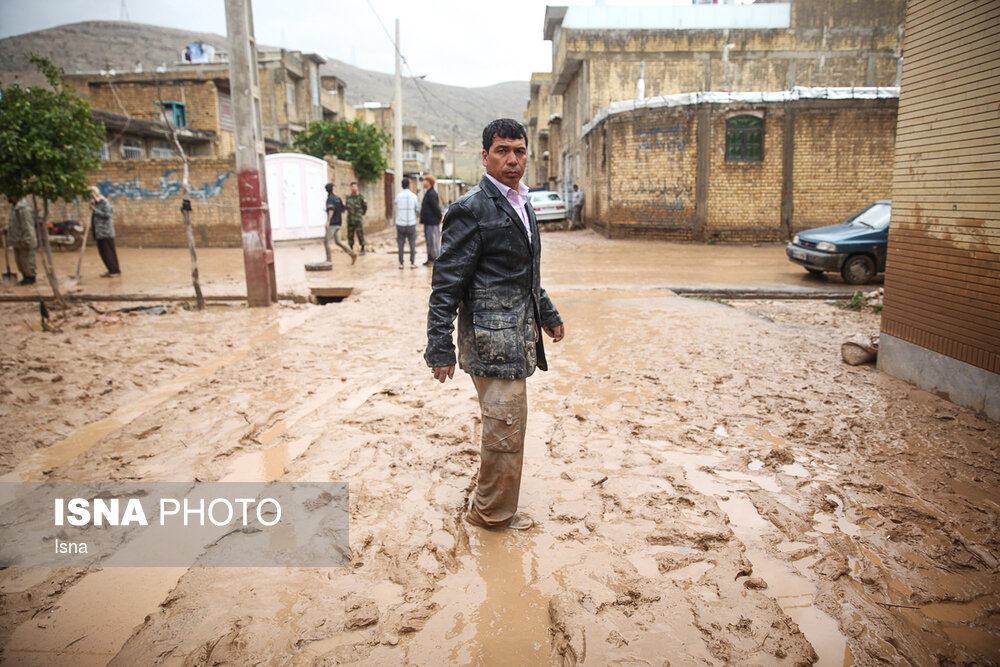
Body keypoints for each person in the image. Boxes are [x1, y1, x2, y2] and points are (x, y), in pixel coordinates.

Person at [425, 118, 565, 531]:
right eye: (502, 151)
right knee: (506, 429)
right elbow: (446, 284)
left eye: (519, 151)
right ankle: (489, 519)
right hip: (491, 342)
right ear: (484, 156)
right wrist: (439, 347)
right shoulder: (470, 209)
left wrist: (549, 315)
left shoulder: (522, 203)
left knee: (505, 426)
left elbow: (524, 275)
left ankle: (488, 505)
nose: (512, 159)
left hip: (517, 336)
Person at [5, 195, 37, 285]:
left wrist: (27, 240)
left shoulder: (24, 209)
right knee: (20, 261)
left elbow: (27, 225)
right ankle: (25, 277)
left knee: (27, 261)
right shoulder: (15, 208)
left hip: (25, 240)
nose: (8, 198)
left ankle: (30, 278)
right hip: (18, 240)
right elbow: (15, 224)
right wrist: (6, 229)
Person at [88, 186, 120, 277]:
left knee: (109, 252)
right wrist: (92, 207)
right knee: (103, 253)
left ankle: (115, 271)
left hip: (106, 232)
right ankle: (110, 270)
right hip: (99, 233)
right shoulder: (95, 203)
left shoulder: (104, 202)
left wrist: (95, 210)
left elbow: (107, 215)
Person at [324, 183, 356, 264]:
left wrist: (328, 221)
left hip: (333, 224)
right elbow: (343, 210)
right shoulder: (338, 198)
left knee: (326, 241)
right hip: (339, 223)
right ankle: (352, 254)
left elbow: (331, 210)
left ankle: (328, 260)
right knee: (338, 242)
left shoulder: (330, 199)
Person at [395, 177, 419, 269]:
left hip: (400, 223)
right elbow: (417, 208)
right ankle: (412, 263)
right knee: (412, 243)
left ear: (401, 186)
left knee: (400, 244)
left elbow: (396, 205)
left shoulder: (398, 196)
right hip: (411, 223)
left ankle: (401, 264)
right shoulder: (414, 196)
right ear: (409, 185)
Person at [420, 174, 442, 266]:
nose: (423, 182)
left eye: (424, 180)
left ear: (429, 182)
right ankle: (430, 259)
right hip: (428, 221)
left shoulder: (432, 193)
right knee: (429, 241)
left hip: (432, 222)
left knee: (433, 241)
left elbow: (435, 207)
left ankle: (434, 259)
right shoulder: (428, 192)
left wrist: (440, 216)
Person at [345, 182, 368, 255]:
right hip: (350, 219)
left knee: (360, 234)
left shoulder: (361, 197)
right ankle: (351, 249)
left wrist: (361, 214)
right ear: (350, 188)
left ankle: (363, 249)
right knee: (350, 234)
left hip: (358, 219)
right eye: (352, 187)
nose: (354, 188)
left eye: (355, 187)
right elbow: (346, 207)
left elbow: (365, 207)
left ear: (357, 188)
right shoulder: (348, 197)